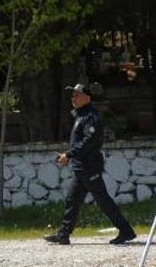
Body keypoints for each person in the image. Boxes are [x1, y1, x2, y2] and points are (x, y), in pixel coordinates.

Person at [43, 83, 136, 246]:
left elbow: (88, 141)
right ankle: (63, 234)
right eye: (72, 95)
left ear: (88, 98)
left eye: (77, 95)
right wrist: (70, 155)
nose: (74, 98)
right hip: (81, 167)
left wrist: (69, 154)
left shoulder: (90, 117)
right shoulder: (81, 116)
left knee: (103, 201)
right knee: (72, 199)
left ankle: (126, 231)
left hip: (89, 166)